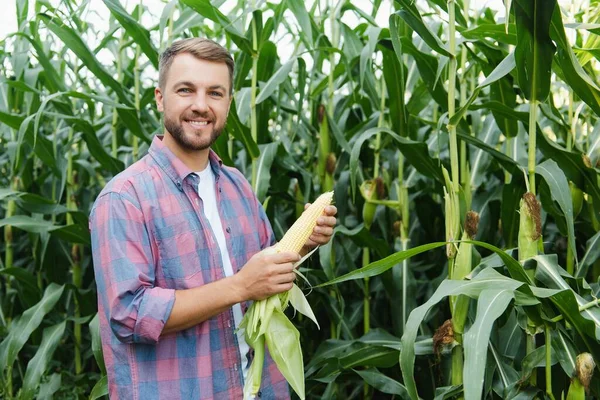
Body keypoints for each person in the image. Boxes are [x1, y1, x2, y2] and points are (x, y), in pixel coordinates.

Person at [89, 38, 337, 400]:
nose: (201, 105)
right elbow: (129, 314)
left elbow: (263, 277)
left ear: (229, 103)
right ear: (160, 97)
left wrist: (303, 243)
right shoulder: (125, 198)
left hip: (257, 389)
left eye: (215, 93)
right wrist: (240, 286)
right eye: (186, 90)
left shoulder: (237, 185)